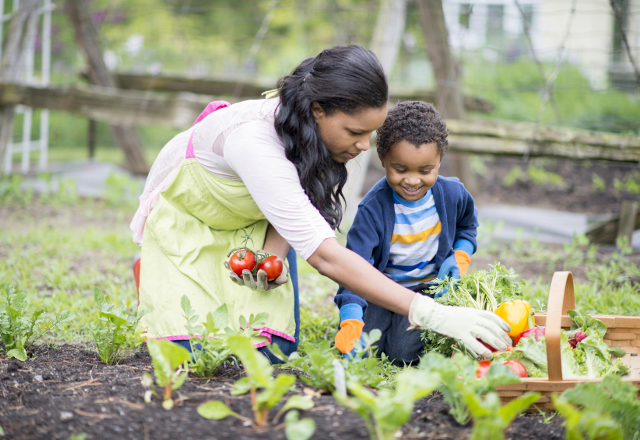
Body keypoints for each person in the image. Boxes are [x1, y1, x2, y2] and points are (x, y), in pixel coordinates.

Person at [131, 45, 511, 364]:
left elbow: (288, 202)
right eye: (355, 132)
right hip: (192, 220)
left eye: (370, 133)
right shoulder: (253, 142)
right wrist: (432, 312)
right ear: (318, 111)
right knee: (197, 355)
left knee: (271, 352)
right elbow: (325, 256)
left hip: (249, 220)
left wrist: (270, 259)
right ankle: (153, 268)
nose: (365, 146)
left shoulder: (311, 135)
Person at [333, 101, 481, 364]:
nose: (413, 181)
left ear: (439, 161)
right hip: (380, 291)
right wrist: (351, 320)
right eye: (400, 170)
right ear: (383, 159)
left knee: (402, 354)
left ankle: (402, 332)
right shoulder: (372, 208)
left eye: (426, 170)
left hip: (424, 293)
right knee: (363, 349)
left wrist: (460, 256)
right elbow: (353, 267)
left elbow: (468, 227)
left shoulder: (452, 195)